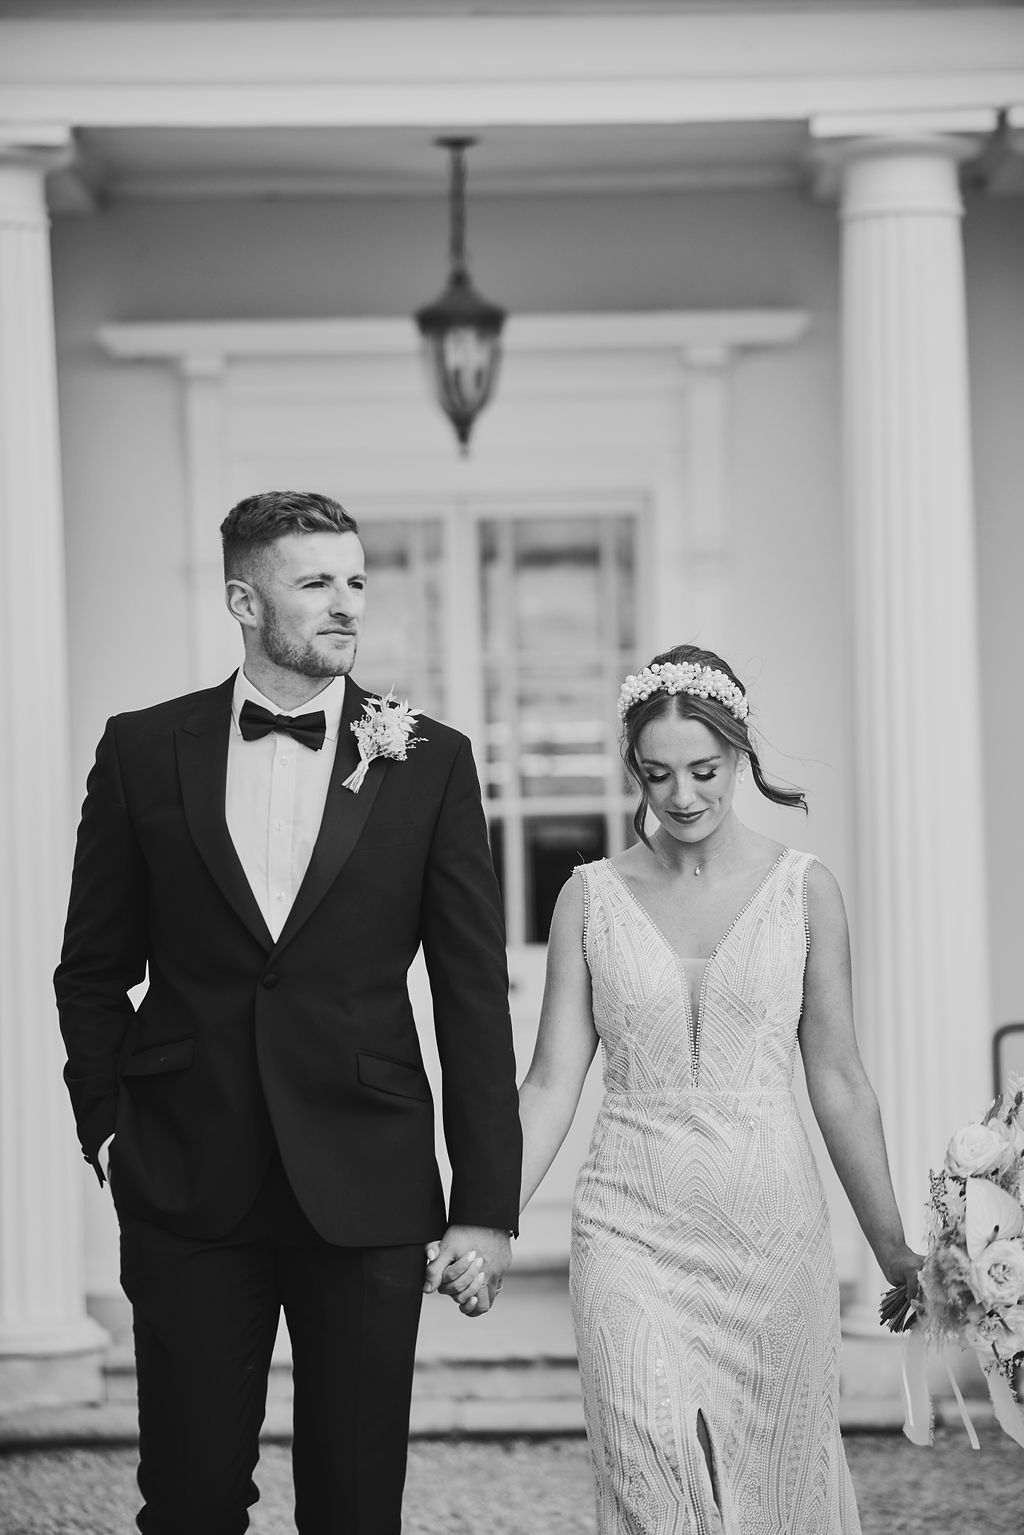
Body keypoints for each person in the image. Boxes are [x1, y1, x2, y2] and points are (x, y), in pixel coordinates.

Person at [54, 490, 521, 1535]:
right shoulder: (141, 750)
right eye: (314, 582)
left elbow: (470, 990)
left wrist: (485, 1201)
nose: (345, 602)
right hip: (182, 1176)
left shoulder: (429, 757)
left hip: (367, 1179)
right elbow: (90, 970)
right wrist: (111, 1130)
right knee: (188, 1497)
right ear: (243, 599)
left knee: (356, 1505)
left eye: (355, 579)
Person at [513, 643, 921, 1533]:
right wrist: (488, 1221)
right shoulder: (589, 896)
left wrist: (893, 1248)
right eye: (657, 774)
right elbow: (547, 1083)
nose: (683, 796)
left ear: (740, 755)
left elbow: (841, 1079)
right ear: (635, 770)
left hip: (772, 1235)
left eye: (704, 770)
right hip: (628, 1224)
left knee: (779, 1483)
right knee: (645, 1466)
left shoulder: (805, 890)